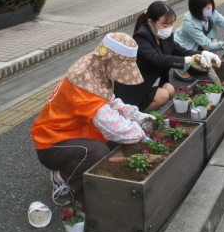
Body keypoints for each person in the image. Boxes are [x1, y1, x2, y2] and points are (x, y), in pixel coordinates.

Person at [30, 32, 156, 206]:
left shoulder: (95, 68)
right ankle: (63, 179)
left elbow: (110, 101)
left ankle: (92, 176)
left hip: (77, 132)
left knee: (118, 140)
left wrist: (137, 116)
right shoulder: (84, 81)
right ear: (111, 60)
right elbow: (112, 126)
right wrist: (140, 133)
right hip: (52, 141)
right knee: (97, 151)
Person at [114, 1, 221, 111]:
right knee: (163, 96)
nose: (169, 28)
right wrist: (188, 60)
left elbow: (181, 51)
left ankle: (148, 111)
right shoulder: (141, 38)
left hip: (153, 81)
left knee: (169, 89)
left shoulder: (165, 36)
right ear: (151, 22)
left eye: (171, 24)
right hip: (136, 88)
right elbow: (157, 59)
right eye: (165, 25)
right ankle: (133, 115)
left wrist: (203, 54)